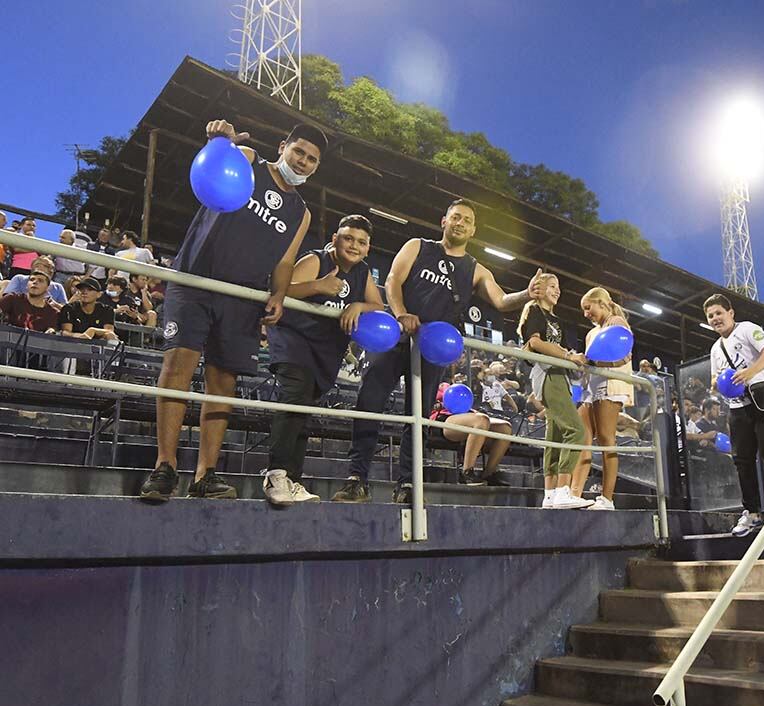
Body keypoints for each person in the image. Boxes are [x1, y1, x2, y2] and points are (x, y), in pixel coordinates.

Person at [140, 119, 325, 502]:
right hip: (197, 280)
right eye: (299, 152)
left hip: (243, 298)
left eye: (312, 159)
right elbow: (210, 169)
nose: (303, 162)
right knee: (178, 368)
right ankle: (164, 467)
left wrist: (278, 293)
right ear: (283, 147)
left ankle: (205, 475)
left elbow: (286, 260)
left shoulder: (301, 211)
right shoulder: (248, 161)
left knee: (223, 384)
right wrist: (217, 143)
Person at [343, 199, 543, 503]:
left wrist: (527, 294)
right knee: (369, 404)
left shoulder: (475, 269)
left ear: (473, 230)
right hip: (395, 339)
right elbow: (393, 280)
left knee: (419, 417)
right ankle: (357, 479)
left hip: (431, 350)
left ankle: (408, 484)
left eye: (466, 220)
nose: (460, 223)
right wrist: (401, 314)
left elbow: (501, 301)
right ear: (444, 221)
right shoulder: (417, 246)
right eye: (456, 217)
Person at [262, 214, 383, 505]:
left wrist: (358, 304)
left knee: (303, 411)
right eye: (348, 238)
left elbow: (378, 305)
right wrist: (317, 286)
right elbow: (281, 290)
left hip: (326, 349)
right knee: (295, 397)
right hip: (295, 340)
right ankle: (275, 474)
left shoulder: (362, 271)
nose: (354, 245)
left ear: (367, 249)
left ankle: (292, 479)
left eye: (361, 242)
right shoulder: (316, 260)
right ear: (334, 240)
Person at [704, 293, 764, 537]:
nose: (715, 319)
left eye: (719, 313)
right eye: (710, 316)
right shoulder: (715, 348)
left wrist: (748, 372)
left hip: (763, 401)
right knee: (742, 460)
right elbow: (715, 377)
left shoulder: (747, 329)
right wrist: (717, 384)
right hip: (737, 407)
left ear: (730, 312)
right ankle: (752, 512)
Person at [519, 272, 592, 509]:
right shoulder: (534, 311)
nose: (557, 290)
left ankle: (549, 494)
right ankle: (563, 490)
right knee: (576, 431)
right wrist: (568, 355)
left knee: (555, 437)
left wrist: (572, 358)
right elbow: (535, 343)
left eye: (558, 286)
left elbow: (558, 347)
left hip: (561, 376)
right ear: (539, 288)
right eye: (552, 286)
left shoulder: (557, 320)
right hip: (547, 373)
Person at [570, 287, 634, 510]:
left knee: (607, 439)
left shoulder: (616, 321)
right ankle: (574, 493)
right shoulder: (590, 333)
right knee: (582, 439)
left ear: (601, 303)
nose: (586, 313)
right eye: (583, 310)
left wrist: (596, 363)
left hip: (610, 385)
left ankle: (607, 499)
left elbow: (625, 354)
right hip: (590, 387)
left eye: (588, 308)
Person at [430, 382, 513, 486]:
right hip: (445, 419)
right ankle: (467, 472)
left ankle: (489, 473)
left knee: (505, 427)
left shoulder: (459, 387)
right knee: (482, 420)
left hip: (468, 414)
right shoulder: (435, 386)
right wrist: (440, 404)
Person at [3, 255, 69, 304]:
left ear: (51, 271)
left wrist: (53, 304)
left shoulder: (58, 287)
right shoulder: (19, 279)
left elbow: (64, 309)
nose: (38, 268)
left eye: (44, 266)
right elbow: (7, 299)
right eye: (37, 265)